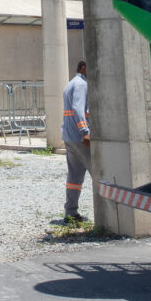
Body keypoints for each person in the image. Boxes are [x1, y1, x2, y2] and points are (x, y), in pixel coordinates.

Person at [62, 59, 91, 222]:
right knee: (98, 170)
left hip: (69, 136)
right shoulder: (81, 84)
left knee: (74, 176)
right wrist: (85, 131)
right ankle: (111, 213)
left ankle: (70, 212)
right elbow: (78, 108)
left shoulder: (71, 83)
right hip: (79, 137)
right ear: (83, 68)